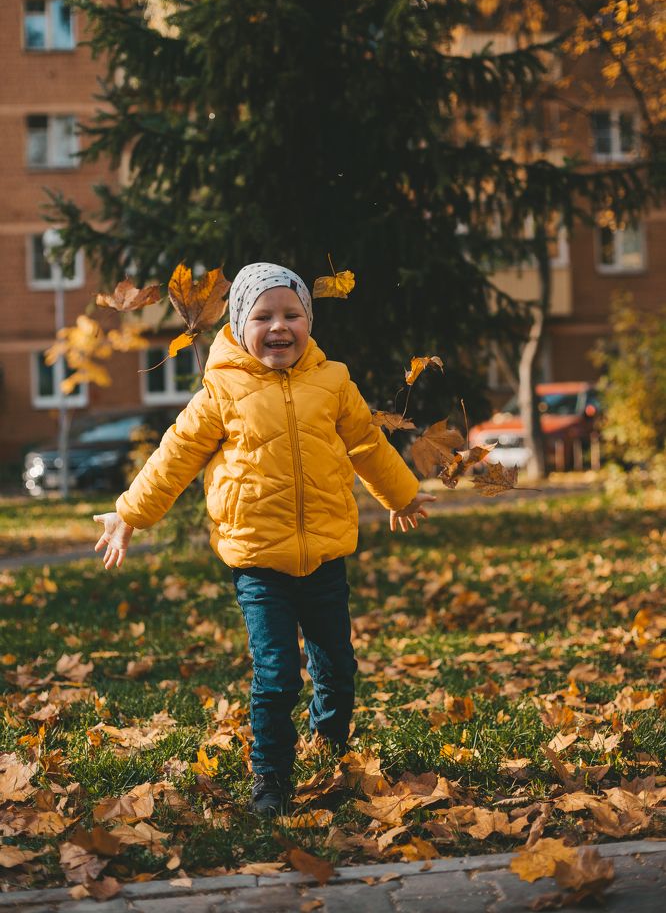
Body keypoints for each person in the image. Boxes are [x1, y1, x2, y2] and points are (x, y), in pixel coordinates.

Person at [93, 262, 435, 815]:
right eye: (264, 316)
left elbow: (367, 445)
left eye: (292, 314)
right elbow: (175, 455)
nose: (279, 327)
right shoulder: (221, 389)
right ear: (239, 324)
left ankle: (330, 743)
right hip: (258, 564)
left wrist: (400, 494)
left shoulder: (333, 382)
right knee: (277, 676)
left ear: (309, 321)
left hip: (324, 557)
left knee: (338, 668)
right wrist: (129, 512)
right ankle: (271, 781)